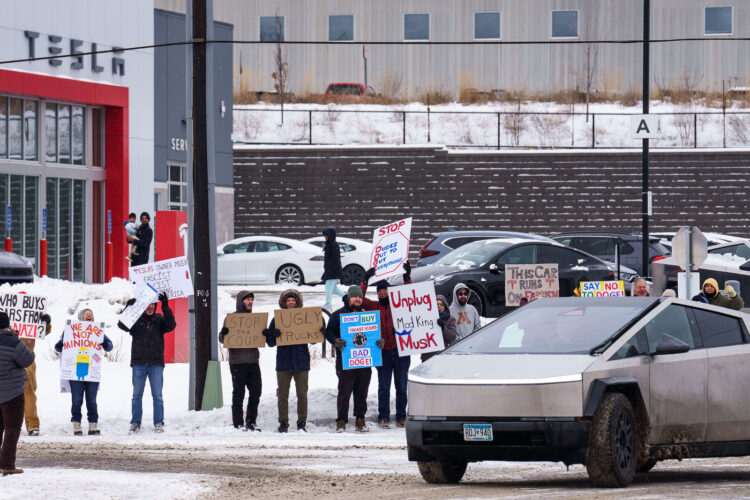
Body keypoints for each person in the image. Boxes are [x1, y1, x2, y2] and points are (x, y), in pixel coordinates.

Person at [360, 262, 412, 429]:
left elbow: (411, 296)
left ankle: (401, 415)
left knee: (402, 386)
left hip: (401, 351)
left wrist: (407, 278)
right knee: (384, 387)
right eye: (380, 290)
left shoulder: (399, 305)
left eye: (385, 289)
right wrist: (364, 281)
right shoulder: (373, 306)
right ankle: (383, 416)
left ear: (390, 291)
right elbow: (359, 300)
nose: (383, 292)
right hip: (382, 353)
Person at [263, 289, 323, 433]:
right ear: (284, 303)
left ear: (297, 303)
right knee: (283, 395)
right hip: (283, 363)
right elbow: (270, 343)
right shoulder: (277, 319)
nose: (291, 303)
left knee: (302, 394)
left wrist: (319, 331)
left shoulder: (304, 317)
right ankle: (283, 422)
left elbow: (313, 340)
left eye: (293, 300)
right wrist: (270, 334)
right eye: (288, 300)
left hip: (301, 362)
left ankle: (302, 422)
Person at [118, 292, 176, 433]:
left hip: (156, 362)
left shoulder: (159, 319)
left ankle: (158, 422)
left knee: (157, 395)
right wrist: (129, 308)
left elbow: (171, 325)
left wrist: (166, 306)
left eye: (152, 304)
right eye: (147, 305)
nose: (150, 307)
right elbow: (122, 325)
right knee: (137, 395)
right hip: (139, 362)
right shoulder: (136, 320)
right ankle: (135, 422)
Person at [54, 309, 113, 436]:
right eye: (86, 314)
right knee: (76, 399)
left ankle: (93, 425)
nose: (89, 315)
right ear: (81, 318)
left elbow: (110, 346)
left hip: (92, 371)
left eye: (91, 314)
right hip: (75, 372)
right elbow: (58, 346)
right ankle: (76, 424)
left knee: (91, 399)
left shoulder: (97, 331)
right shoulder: (70, 330)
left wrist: (105, 343)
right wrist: (60, 345)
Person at [325, 286, 372, 433]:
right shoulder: (338, 315)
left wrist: (378, 342)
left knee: (362, 392)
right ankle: (341, 421)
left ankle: (360, 419)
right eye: (354, 297)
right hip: (345, 361)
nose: (357, 299)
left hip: (364, 361)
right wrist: (336, 340)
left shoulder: (367, 315)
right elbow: (329, 332)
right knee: (344, 392)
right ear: (349, 298)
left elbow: (374, 334)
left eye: (359, 297)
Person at [218, 291, 262, 431]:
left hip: (253, 361)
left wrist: (265, 334)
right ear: (240, 302)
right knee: (239, 393)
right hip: (237, 362)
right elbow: (222, 339)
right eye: (247, 299)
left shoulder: (256, 320)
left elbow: (261, 337)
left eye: (251, 299)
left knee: (256, 391)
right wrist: (223, 334)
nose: (250, 302)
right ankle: (238, 423)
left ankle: (251, 421)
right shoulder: (232, 319)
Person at [0, 312, 34, 476]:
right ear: (7, 325)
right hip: (12, 394)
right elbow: (28, 359)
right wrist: (17, 339)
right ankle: (7, 464)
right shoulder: (14, 342)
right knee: (12, 429)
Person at [21, 311, 51, 437]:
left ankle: (32, 425)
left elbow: (43, 332)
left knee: (29, 394)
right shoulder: (5, 320)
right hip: (6, 360)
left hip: (27, 362)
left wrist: (46, 323)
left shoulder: (31, 321)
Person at [421, 295, 457, 362]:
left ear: (445, 306)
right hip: (427, 357)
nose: (439, 306)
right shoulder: (425, 319)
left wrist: (443, 327)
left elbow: (452, 337)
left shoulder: (450, 319)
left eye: (441, 304)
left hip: (442, 356)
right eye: (437, 304)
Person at [321, 228, 345, 312]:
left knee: (328, 287)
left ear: (330, 236)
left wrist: (330, 268)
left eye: (326, 236)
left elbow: (335, 259)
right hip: (330, 270)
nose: (325, 238)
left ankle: (328, 304)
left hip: (333, 270)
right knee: (334, 288)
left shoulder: (333, 245)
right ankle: (348, 298)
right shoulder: (330, 244)